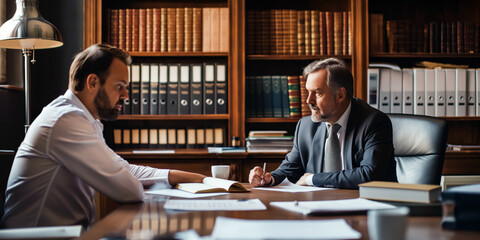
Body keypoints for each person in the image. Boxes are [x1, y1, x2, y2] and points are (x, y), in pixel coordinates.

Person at [1, 44, 206, 229]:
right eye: (120, 86)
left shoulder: (84, 119)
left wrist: (191, 178)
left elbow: (123, 169)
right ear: (92, 83)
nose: (126, 95)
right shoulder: (65, 120)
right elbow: (129, 190)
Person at [249, 58, 396, 189]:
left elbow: (369, 175)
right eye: (308, 92)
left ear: (340, 95)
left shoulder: (374, 122)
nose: (308, 100)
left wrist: (312, 179)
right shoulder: (306, 126)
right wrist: (269, 178)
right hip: (318, 205)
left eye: (317, 93)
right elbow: (290, 169)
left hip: (367, 209)